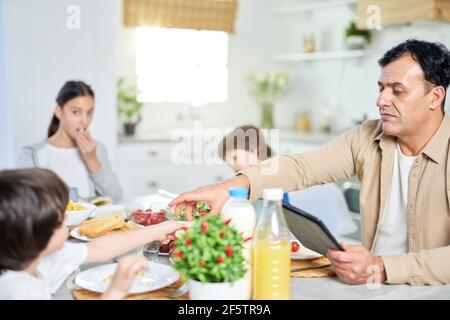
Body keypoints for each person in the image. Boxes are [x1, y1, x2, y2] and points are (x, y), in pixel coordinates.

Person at [170, 39, 450, 286]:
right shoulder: (366, 136)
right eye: (381, 88)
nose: (381, 100)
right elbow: (301, 167)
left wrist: (382, 267)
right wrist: (231, 186)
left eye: (397, 91)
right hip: (370, 286)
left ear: (435, 97)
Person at [0, 168, 181, 300]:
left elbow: (99, 247)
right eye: (61, 214)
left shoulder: (41, 257)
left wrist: (158, 230)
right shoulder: (20, 292)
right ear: (37, 233)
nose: (67, 216)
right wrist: (116, 291)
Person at [18, 81, 123, 201]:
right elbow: (26, 203)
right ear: (59, 111)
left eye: (89, 112)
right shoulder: (31, 154)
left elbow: (117, 197)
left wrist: (92, 159)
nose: (84, 121)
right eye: (76, 112)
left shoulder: (97, 149)